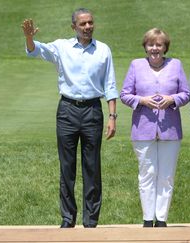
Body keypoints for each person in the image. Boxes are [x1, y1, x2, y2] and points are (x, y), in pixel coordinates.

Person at [21, 8, 119, 228]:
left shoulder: (103, 50)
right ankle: (68, 218)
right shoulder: (62, 47)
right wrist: (29, 38)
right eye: (83, 24)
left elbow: (110, 85)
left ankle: (91, 219)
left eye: (90, 23)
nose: (87, 27)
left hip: (93, 110)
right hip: (67, 111)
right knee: (67, 167)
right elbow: (36, 50)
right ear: (73, 27)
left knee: (92, 166)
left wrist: (112, 116)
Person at [120, 28, 190, 227]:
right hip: (143, 129)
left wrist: (172, 99)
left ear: (165, 47)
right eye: (151, 44)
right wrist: (142, 100)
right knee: (147, 173)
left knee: (166, 176)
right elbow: (125, 94)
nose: (155, 48)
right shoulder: (136, 65)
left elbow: (186, 93)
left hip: (170, 130)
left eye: (159, 45)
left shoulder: (175, 65)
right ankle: (148, 218)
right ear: (145, 47)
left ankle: (161, 219)